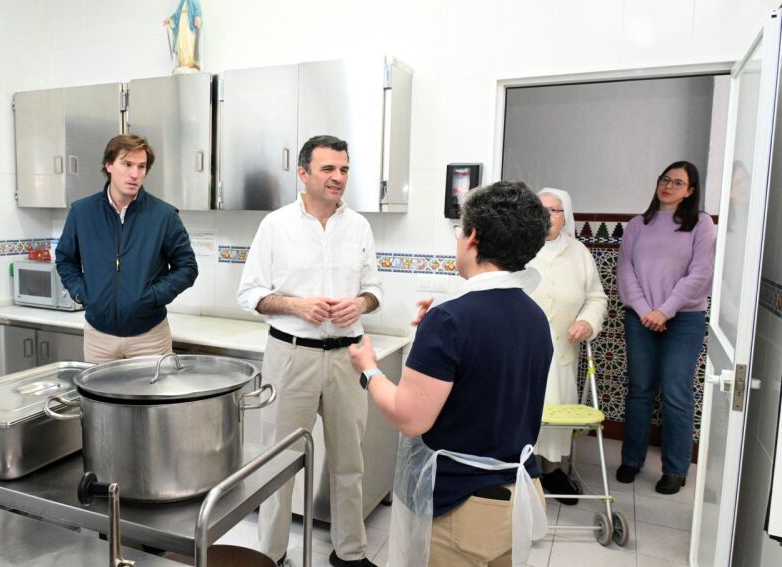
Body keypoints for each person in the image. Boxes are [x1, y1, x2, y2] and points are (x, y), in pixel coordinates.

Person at [349, 181, 553, 567]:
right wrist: (438, 330)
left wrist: (369, 369)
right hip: (517, 496)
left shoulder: (451, 321)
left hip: (463, 509)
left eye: (460, 230)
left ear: (472, 236)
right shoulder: (533, 315)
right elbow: (487, 366)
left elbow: (409, 418)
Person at [237, 135, 382, 567]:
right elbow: (249, 294)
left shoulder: (359, 226)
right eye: (328, 169)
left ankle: (349, 553)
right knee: (278, 462)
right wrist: (296, 305)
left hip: (347, 358)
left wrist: (360, 304)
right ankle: (271, 554)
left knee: (349, 462)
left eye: (344, 169)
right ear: (303, 173)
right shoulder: (275, 225)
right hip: (291, 356)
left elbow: (374, 289)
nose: (338, 177)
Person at [616, 160, 715, 495]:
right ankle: (631, 460)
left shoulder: (701, 224)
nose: (668, 186)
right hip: (640, 317)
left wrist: (665, 310)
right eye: (665, 179)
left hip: (684, 319)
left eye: (678, 182)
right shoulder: (637, 225)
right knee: (640, 390)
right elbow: (625, 271)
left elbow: (700, 274)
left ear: (689, 191)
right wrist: (647, 311)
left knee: (676, 392)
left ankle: (675, 469)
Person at [55, 134, 198, 363]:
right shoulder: (82, 212)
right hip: (98, 338)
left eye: (141, 166)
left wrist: (153, 296)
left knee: (155, 389)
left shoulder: (164, 216)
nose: (134, 174)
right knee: (99, 389)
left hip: (149, 338)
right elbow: (65, 259)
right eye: (127, 164)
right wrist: (82, 293)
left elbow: (187, 268)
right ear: (109, 165)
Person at [526, 188, 608, 505]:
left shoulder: (578, 253)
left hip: (562, 349)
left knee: (557, 412)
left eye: (554, 210)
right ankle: (523, 470)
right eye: (540, 208)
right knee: (525, 411)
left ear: (565, 216)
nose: (547, 215)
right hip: (523, 352)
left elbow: (596, 298)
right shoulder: (519, 246)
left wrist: (587, 322)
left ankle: (552, 470)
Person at [163, 0, 203, 73]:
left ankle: (189, 61)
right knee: (181, 43)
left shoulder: (194, 1)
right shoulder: (182, 2)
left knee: (189, 42)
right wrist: (170, 20)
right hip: (181, 24)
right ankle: (182, 63)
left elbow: (198, 10)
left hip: (189, 24)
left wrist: (198, 17)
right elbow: (176, 14)